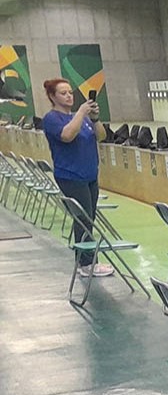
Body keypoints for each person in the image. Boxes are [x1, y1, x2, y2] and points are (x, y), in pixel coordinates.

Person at [40, 78, 113, 278]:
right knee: (83, 217)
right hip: (71, 176)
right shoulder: (52, 119)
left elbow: (101, 136)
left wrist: (95, 118)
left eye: (70, 92)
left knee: (89, 217)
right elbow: (67, 136)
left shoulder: (84, 119)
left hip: (90, 175)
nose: (69, 96)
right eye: (63, 93)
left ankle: (85, 258)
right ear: (53, 97)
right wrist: (81, 113)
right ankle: (86, 262)